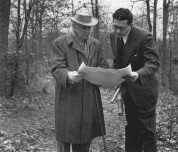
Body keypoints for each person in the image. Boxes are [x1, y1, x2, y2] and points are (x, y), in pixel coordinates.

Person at [51, 12, 108, 152]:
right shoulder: (60, 43)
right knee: (66, 139)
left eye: (89, 28)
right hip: (68, 97)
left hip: (89, 98)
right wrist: (68, 75)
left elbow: (104, 65)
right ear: (74, 25)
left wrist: (101, 73)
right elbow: (56, 67)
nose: (87, 31)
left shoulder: (96, 44)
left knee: (84, 138)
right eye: (83, 27)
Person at [110, 8, 160, 152]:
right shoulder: (113, 35)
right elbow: (117, 60)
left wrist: (137, 74)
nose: (118, 31)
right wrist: (115, 76)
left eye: (122, 28)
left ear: (130, 25)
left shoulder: (144, 36)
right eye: (115, 26)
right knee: (132, 127)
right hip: (128, 90)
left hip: (145, 90)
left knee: (147, 130)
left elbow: (153, 63)